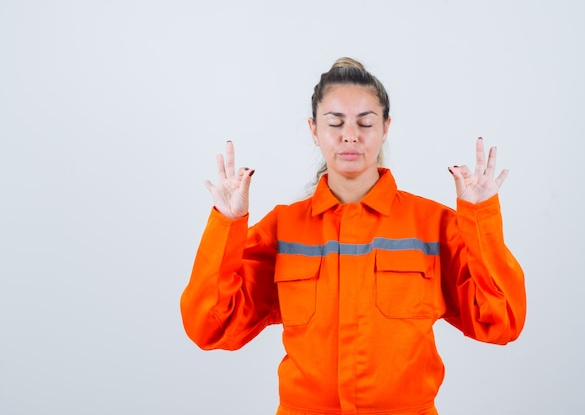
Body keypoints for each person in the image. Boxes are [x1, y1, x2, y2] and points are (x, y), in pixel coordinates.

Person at [180, 57, 526, 415]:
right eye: (335, 122)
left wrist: (480, 219)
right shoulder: (284, 228)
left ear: (385, 127)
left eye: (365, 122)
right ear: (314, 130)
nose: (350, 135)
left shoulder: (431, 224)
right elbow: (209, 325)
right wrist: (227, 223)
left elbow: (503, 320)